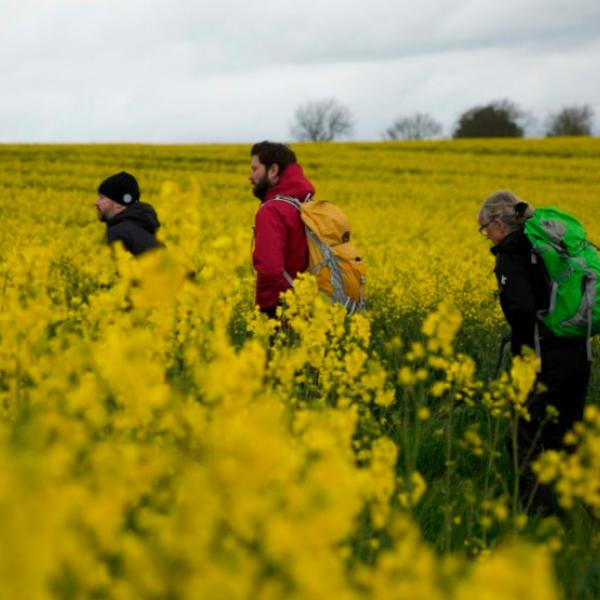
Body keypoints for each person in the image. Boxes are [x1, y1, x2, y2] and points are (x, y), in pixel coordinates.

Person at [478, 190, 591, 513]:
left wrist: (521, 345)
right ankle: (575, 514)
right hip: (578, 350)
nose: (486, 236)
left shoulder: (512, 253)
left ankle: (535, 517)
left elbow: (521, 308)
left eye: (485, 229)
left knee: (526, 439)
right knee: (565, 436)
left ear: (499, 224)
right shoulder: (551, 245)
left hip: (541, 357)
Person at [250, 141, 315, 318]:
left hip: (285, 312)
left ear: (273, 170)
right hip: (314, 312)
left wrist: (264, 314)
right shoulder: (305, 206)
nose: (250, 176)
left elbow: (270, 270)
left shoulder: (272, 211)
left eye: (255, 169)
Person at [95, 171, 162, 256]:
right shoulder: (151, 227)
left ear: (119, 203)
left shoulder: (117, 233)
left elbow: (109, 267)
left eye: (102, 198)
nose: (96, 202)